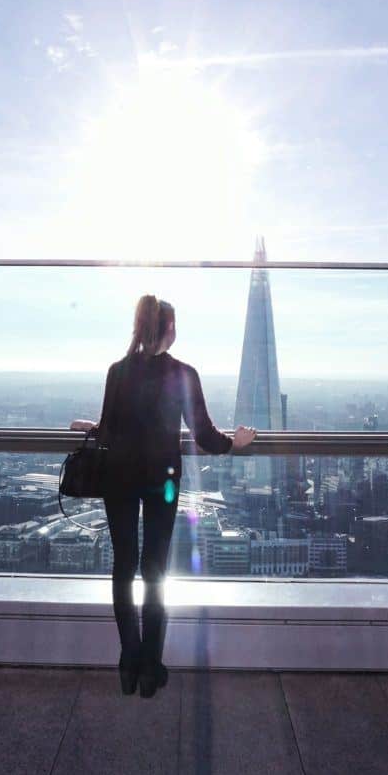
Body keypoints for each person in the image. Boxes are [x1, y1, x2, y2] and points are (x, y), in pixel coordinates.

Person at [70, 294, 256, 698]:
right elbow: (205, 435)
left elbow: (109, 430)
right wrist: (236, 444)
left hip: (118, 479)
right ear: (168, 329)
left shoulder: (117, 371)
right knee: (155, 568)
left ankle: (128, 660)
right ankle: (151, 667)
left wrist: (91, 426)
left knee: (123, 565)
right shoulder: (182, 374)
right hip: (162, 481)